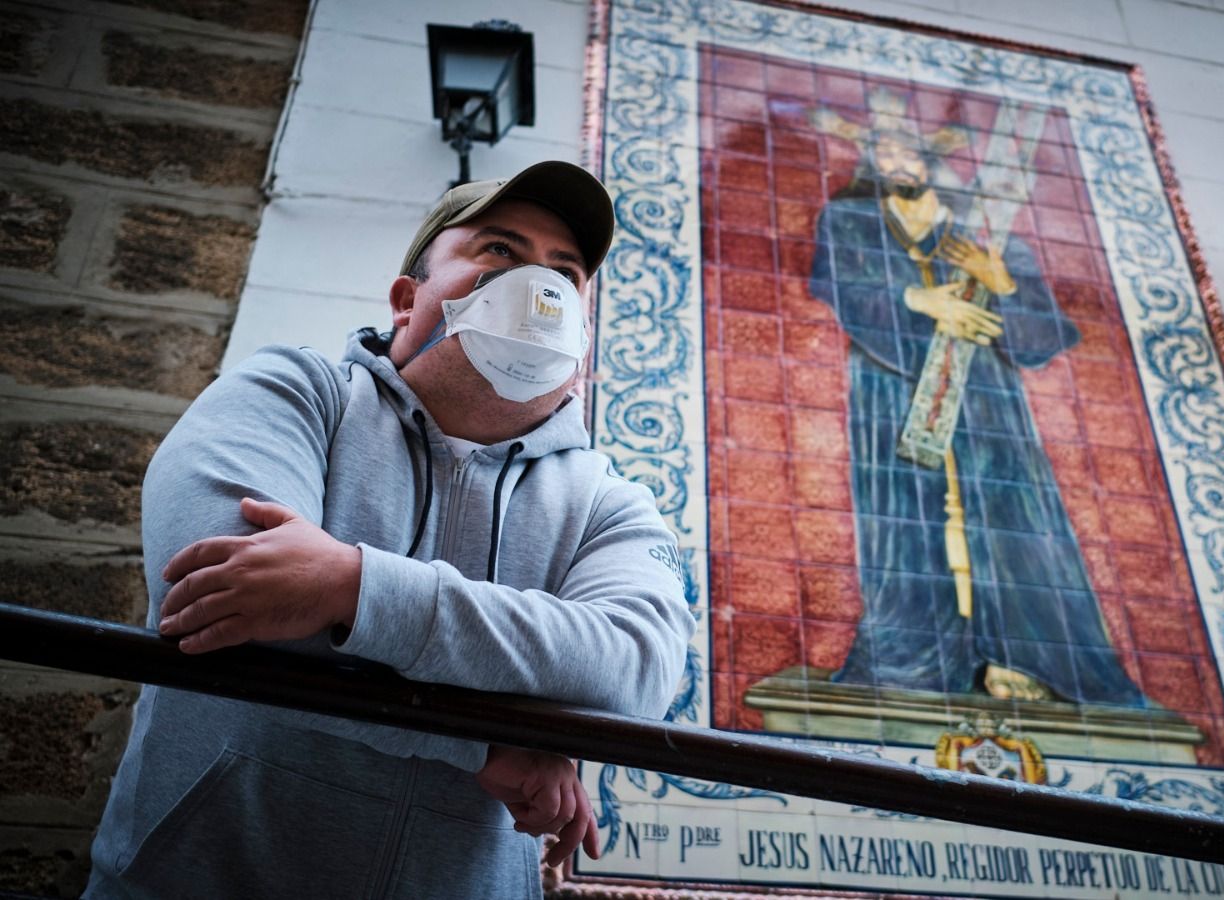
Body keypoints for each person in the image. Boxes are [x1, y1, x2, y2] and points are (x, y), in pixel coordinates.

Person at [86, 161, 696, 899]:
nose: (538, 288)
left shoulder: (611, 504)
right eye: (500, 251)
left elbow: (635, 669)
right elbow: (218, 597)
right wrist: (484, 745)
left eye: (565, 273)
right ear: (408, 300)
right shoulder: (295, 395)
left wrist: (349, 586)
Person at [808, 94, 1146, 709]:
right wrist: (920, 301)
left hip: (987, 395)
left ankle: (1020, 656)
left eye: (909, 147)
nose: (898, 157)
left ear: (932, 159)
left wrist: (1002, 284)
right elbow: (841, 289)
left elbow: (1042, 332)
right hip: (892, 390)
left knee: (1009, 513)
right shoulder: (848, 221)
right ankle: (911, 663)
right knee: (903, 517)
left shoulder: (986, 232)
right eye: (883, 148)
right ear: (870, 161)